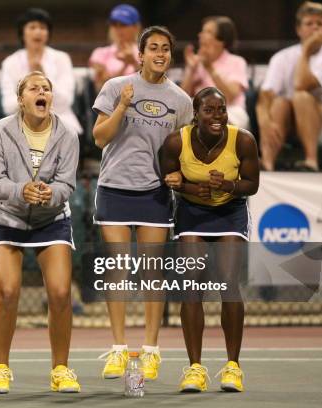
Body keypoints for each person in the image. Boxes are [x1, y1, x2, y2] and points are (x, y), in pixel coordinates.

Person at [92, 26, 193, 381]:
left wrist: (179, 174)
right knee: (117, 273)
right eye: (153, 48)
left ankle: (151, 351)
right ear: (141, 53)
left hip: (154, 194)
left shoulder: (182, 100)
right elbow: (99, 138)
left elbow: (184, 150)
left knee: (153, 275)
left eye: (166, 48)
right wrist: (122, 106)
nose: (160, 54)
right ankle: (119, 349)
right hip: (114, 189)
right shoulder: (116, 87)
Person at [0, 71, 80, 394]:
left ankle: (61, 370)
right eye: (34, 88)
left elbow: (67, 184)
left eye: (47, 89)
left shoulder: (67, 135)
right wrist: (21, 191)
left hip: (50, 219)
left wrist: (49, 194)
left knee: (60, 293)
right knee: (9, 291)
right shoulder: (1, 131)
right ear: (21, 99)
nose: (42, 93)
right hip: (6, 218)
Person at [160, 86, 259, 392]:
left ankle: (233, 367)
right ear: (196, 113)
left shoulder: (242, 139)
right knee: (192, 286)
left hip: (229, 213)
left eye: (221, 110)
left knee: (228, 284)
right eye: (209, 110)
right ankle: (195, 369)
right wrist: (191, 189)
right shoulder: (176, 141)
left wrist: (229, 185)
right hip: (192, 215)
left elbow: (252, 184)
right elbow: (171, 179)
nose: (217, 116)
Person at [0, 8, 82, 146]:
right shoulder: (10, 62)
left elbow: (65, 102)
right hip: (20, 119)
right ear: (23, 33)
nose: (38, 32)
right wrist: (31, 100)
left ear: (48, 34)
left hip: (57, 117)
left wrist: (43, 76)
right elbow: (8, 105)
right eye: (32, 27)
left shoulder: (62, 59)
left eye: (43, 28)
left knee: (52, 131)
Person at [257, 1, 322, 171]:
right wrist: (265, 122)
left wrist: (306, 50)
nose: (314, 28)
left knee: (301, 97)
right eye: (309, 23)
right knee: (279, 103)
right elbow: (266, 95)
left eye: (320, 24)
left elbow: (301, 84)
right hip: (291, 123)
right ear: (299, 29)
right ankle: (267, 163)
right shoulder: (281, 57)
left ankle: (311, 161)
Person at [181, 16, 250, 130]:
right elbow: (182, 98)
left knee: (218, 122)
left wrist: (210, 68)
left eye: (207, 32)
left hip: (230, 110)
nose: (200, 35)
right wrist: (191, 69)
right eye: (202, 31)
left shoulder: (237, 62)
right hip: (199, 112)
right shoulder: (195, 62)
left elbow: (229, 97)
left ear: (221, 40)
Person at [89, 4, 142, 93]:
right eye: (114, 25)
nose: (118, 29)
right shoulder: (100, 53)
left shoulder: (147, 52)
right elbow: (101, 88)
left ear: (136, 27)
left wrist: (133, 63)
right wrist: (125, 66)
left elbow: (154, 82)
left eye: (123, 25)